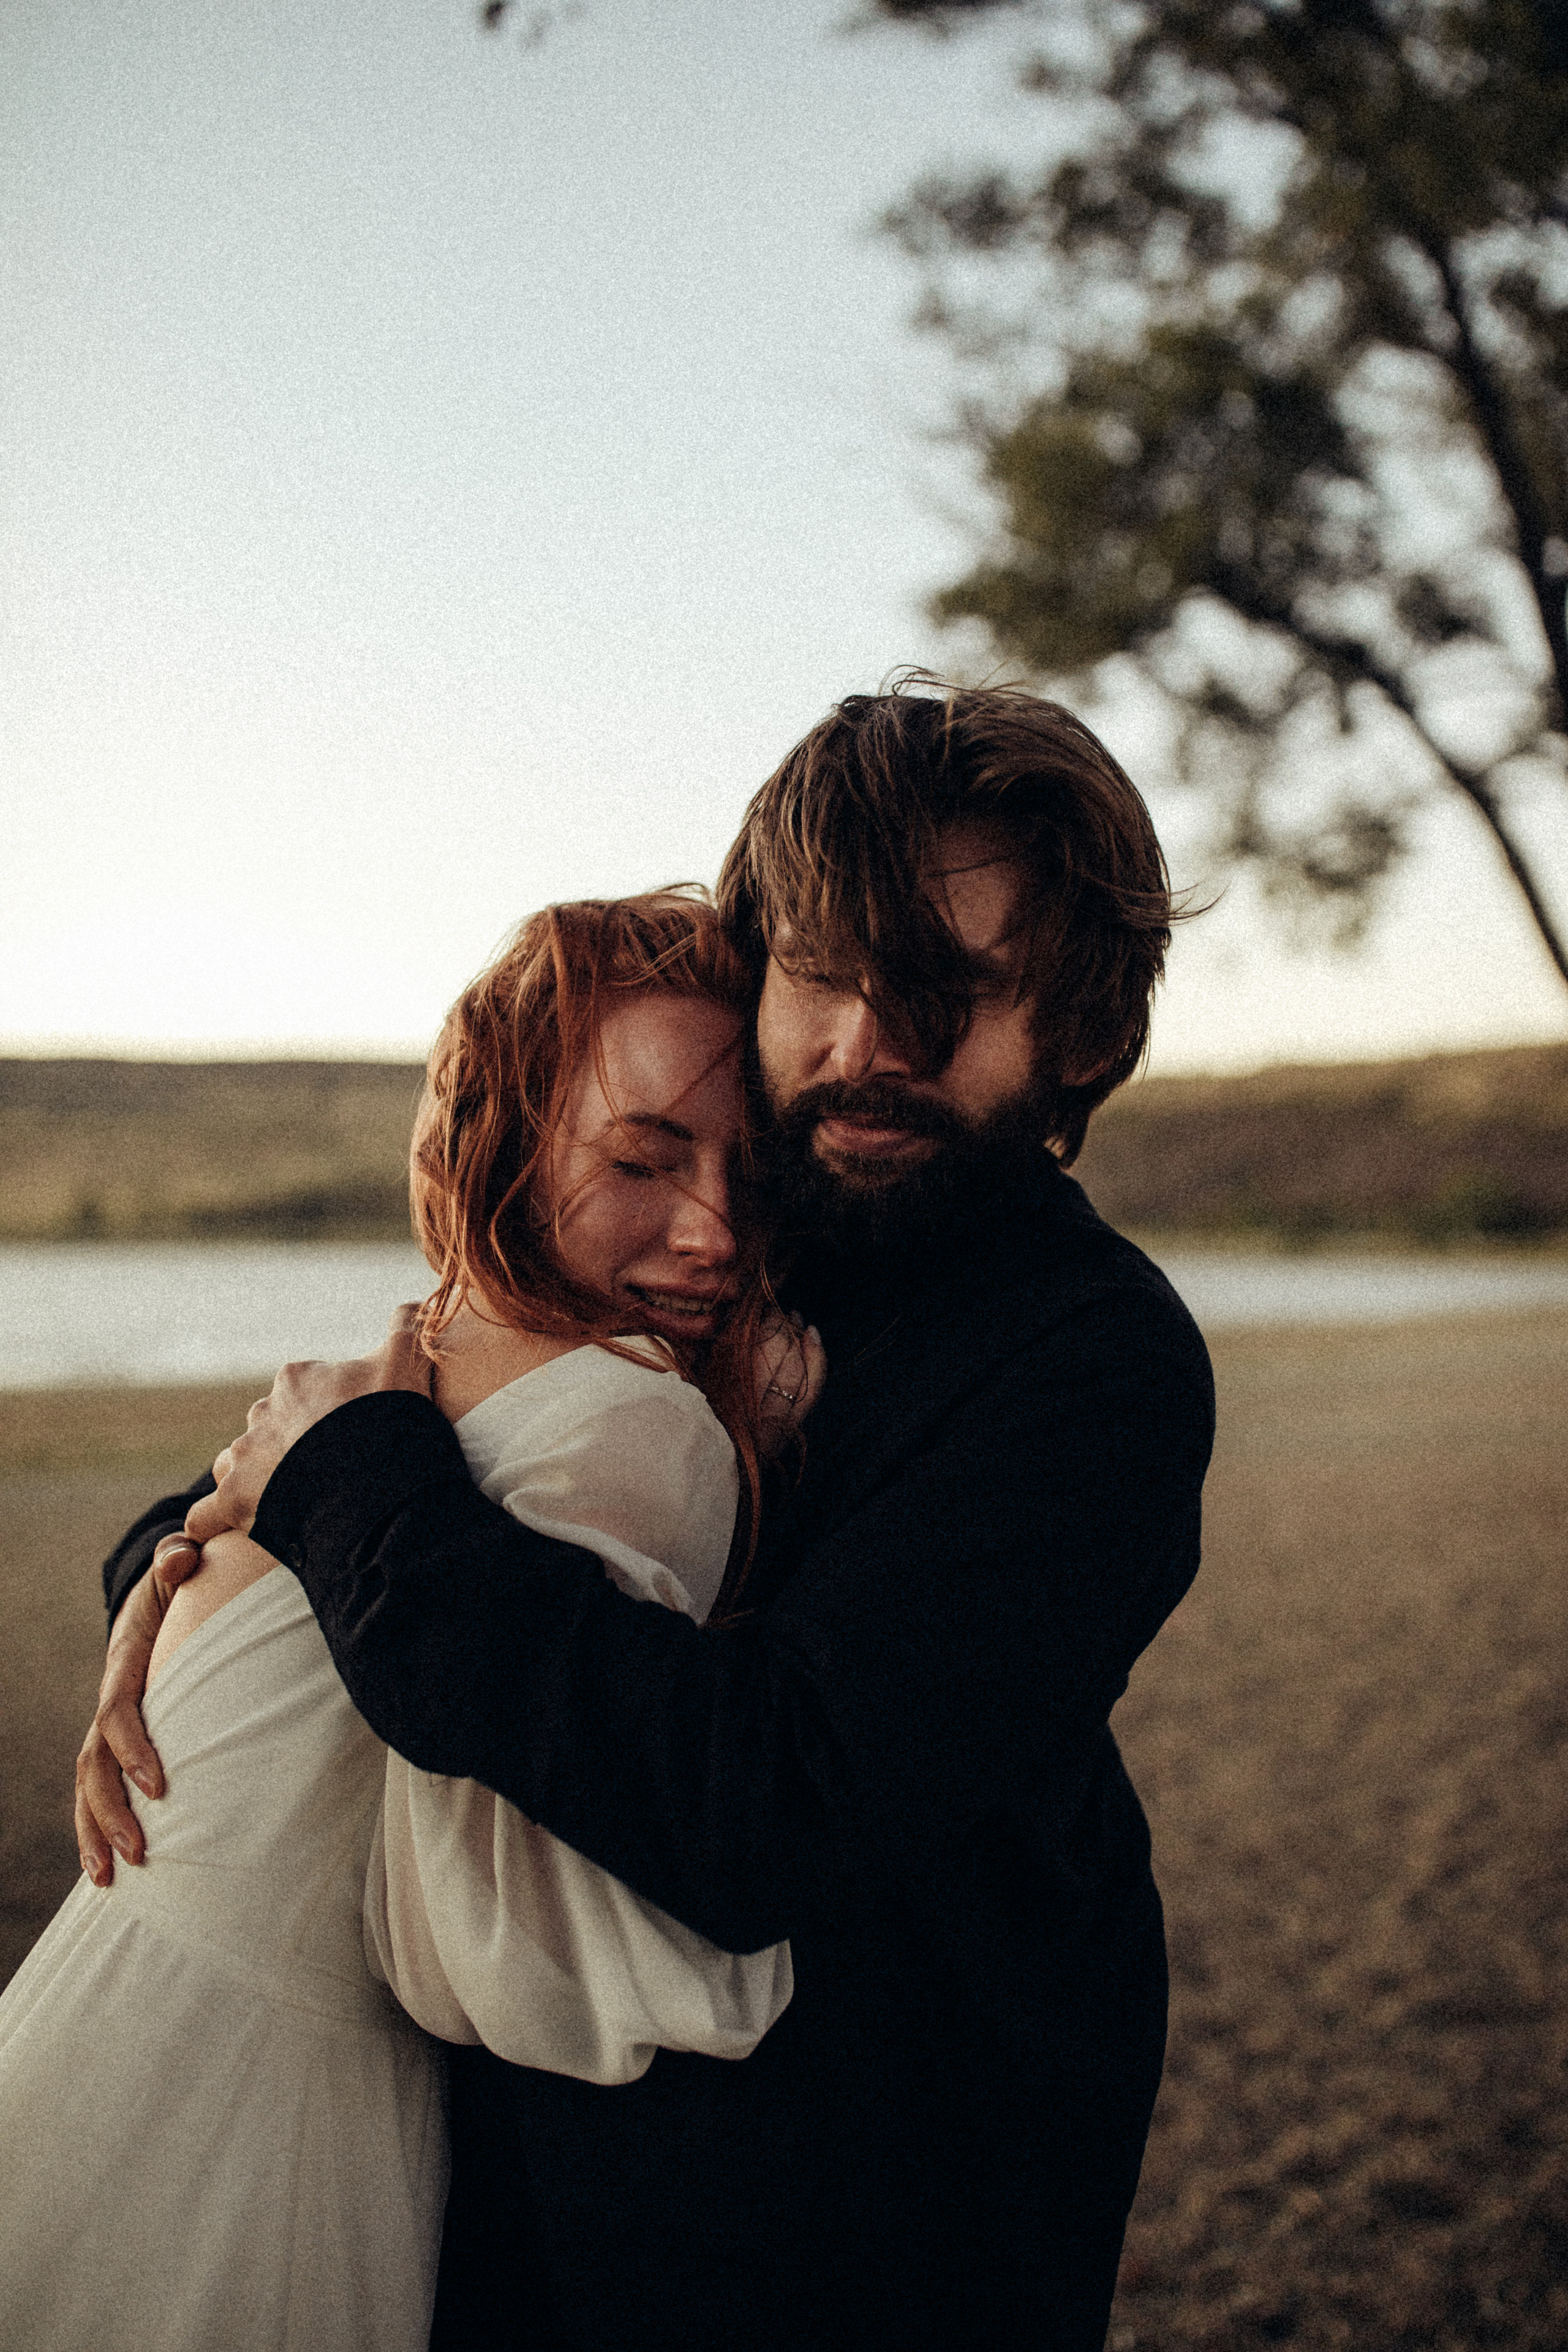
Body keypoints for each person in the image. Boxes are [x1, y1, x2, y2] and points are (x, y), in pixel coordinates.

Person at [81, 679, 1215, 2352]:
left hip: (887, 2194)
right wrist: (164, 1601)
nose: (867, 1045)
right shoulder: (719, 1232)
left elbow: (772, 1800)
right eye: (824, 975)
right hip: (529, 2190)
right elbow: (301, 1460)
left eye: (951, 990)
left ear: (1089, 1033)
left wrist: (348, 1498)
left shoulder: (1091, 1363)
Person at [4, 891, 802, 2351]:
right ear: (505, 1137)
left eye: (752, 1174)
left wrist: (167, 1608)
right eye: (641, 1157)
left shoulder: (446, 1362)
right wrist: (155, 1600)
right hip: (256, 2087)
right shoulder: (558, 1397)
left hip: (124, 2014)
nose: (715, 1234)